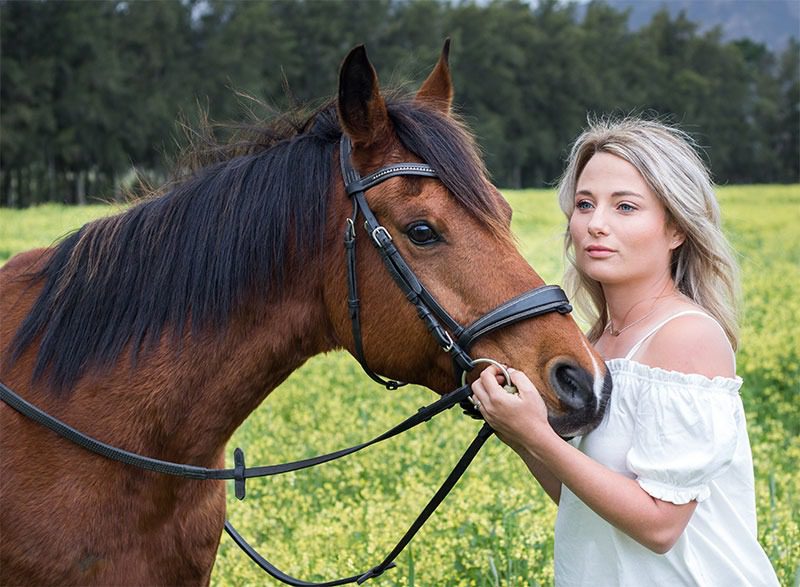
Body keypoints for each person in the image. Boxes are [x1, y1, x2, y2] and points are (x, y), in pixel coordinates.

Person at [470, 117, 780, 586]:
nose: (596, 224)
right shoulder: (593, 342)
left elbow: (659, 525)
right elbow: (581, 498)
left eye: (626, 207)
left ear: (675, 228)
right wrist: (516, 430)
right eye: (584, 204)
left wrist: (538, 435)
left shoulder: (686, 336)